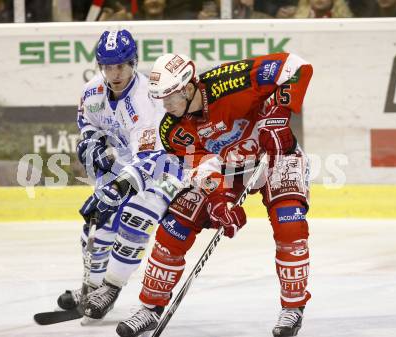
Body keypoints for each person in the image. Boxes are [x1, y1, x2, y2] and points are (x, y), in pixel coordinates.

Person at [114, 52, 313, 337]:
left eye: (170, 96)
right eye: (161, 98)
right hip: (226, 167)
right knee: (175, 224)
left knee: (289, 223)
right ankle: (149, 308)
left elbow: (296, 66)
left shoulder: (229, 81)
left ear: (187, 86)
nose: (166, 105)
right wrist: (219, 201)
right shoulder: (172, 128)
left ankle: (292, 308)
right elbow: (201, 168)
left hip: (276, 153)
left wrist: (278, 116)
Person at [56, 29, 181, 324]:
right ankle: (92, 287)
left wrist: (118, 187)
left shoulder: (146, 97)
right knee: (96, 225)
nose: (114, 73)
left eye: (121, 66)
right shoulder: (92, 91)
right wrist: (91, 143)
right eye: (108, 66)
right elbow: (87, 123)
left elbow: (150, 156)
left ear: (133, 63)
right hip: (126, 162)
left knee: (133, 221)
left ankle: (111, 289)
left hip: (166, 163)